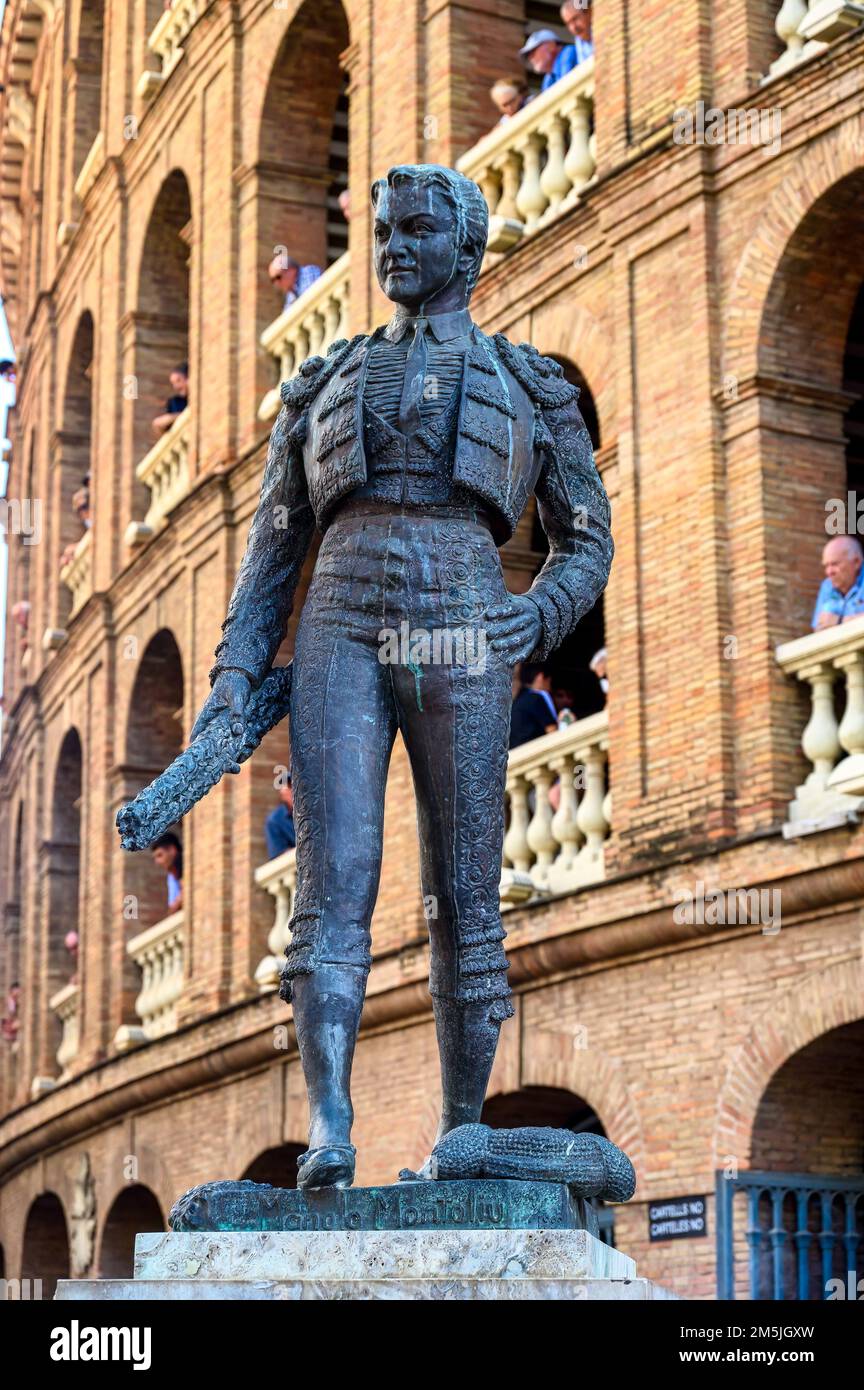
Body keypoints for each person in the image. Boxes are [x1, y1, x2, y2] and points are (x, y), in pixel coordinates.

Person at [189, 163, 612, 1190]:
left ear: (467, 249)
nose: (392, 246)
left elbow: (587, 537)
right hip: (338, 615)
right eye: (382, 229)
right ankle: (331, 1127)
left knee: (464, 894)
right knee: (333, 887)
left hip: (464, 616)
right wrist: (235, 679)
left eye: (418, 229)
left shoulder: (531, 382)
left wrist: (543, 612)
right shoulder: (323, 382)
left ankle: (460, 1132)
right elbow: (268, 562)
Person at [812, 535, 864, 629]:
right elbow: (818, 628)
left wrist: (839, 621)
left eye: (835, 564)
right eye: (826, 566)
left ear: (856, 562)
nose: (829, 572)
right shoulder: (827, 586)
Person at [510, 663, 560, 748]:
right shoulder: (537, 697)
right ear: (540, 677)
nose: (550, 688)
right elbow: (552, 730)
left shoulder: (514, 705)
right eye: (549, 682)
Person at [151, 362, 189, 437]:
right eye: (173, 383)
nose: (176, 387)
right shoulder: (175, 402)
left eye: (178, 381)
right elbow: (159, 425)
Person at [265, 778, 296, 859]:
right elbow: (278, 853)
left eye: (295, 786)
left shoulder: (313, 812)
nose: (293, 790)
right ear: (282, 793)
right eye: (289, 787)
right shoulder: (274, 820)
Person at [151, 832, 183, 910]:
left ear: (172, 850)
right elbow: (172, 907)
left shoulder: (185, 864)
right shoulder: (171, 876)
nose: (157, 862)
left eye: (160, 855)